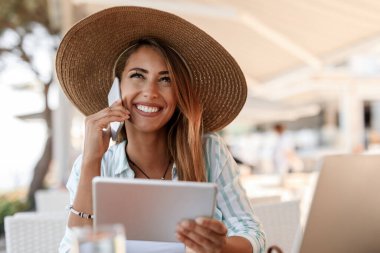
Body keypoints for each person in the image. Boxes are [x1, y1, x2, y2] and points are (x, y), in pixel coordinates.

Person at [56, 6, 265, 253]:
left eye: (165, 79)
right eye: (137, 75)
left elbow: (252, 233)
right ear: (116, 89)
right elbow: (72, 251)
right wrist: (92, 159)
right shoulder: (95, 165)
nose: (151, 92)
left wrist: (222, 247)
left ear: (179, 95)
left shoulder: (209, 150)